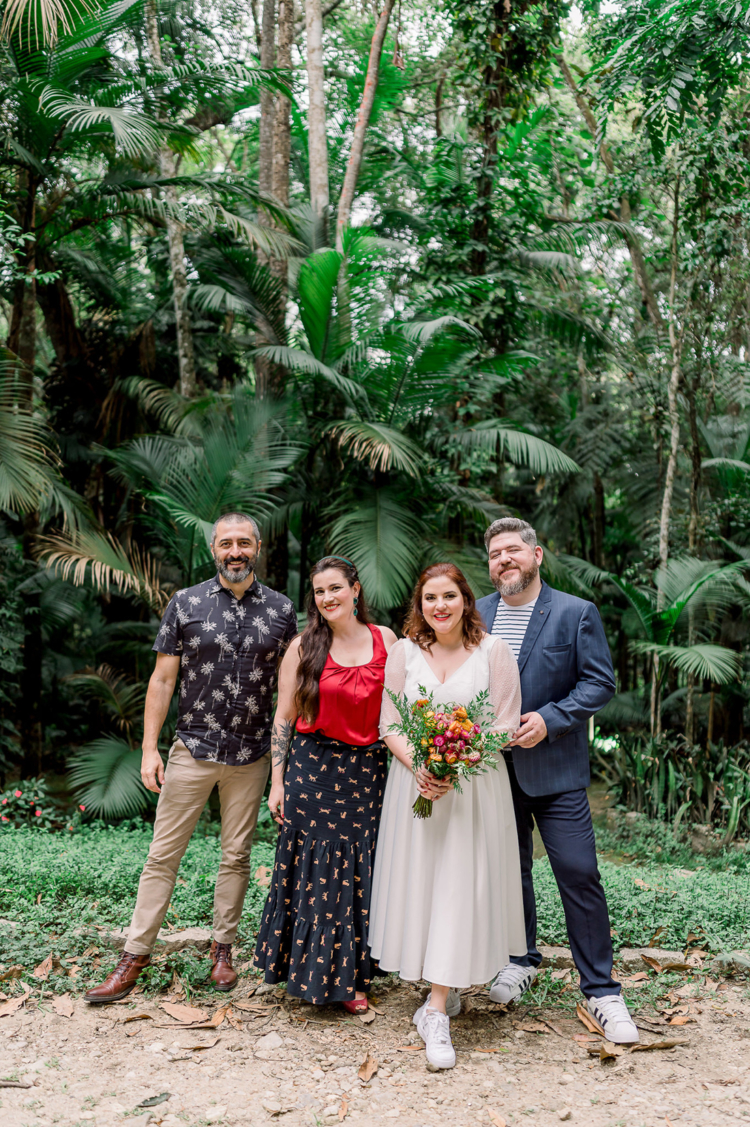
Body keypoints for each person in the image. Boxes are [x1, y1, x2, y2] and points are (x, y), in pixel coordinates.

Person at [84, 513, 297, 1004]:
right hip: (192, 750)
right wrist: (148, 748)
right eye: (227, 543)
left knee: (237, 855)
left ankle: (222, 949)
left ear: (258, 548)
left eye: (244, 542)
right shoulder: (186, 603)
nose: (236, 551)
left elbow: (291, 692)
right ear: (214, 549)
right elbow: (162, 680)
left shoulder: (283, 611)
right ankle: (134, 955)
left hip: (251, 755)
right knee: (162, 856)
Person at [475, 517, 638, 1044]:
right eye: (496, 553)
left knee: (579, 872)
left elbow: (599, 683)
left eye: (513, 551)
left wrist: (550, 719)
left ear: (537, 554)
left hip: (558, 771)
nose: (505, 560)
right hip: (492, 772)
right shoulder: (476, 614)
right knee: (509, 872)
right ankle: (520, 958)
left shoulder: (575, 613)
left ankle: (602, 990)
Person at [369, 563, 526, 1070]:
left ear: (466, 600)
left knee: (460, 884)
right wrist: (424, 769)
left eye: (450, 597)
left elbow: (503, 724)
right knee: (426, 885)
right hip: (416, 789)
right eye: (431, 597)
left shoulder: (493, 652)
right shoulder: (404, 652)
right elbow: (389, 723)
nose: (440, 606)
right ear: (420, 603)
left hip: (474, 791)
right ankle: (446, 984)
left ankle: (435, 1009)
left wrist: (457, 762)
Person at [254, 556, 397, 1012]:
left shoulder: (387, 641)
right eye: (319, 591)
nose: (327, 598)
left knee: (357, 872)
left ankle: (354, 973)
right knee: (318, 873)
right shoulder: (303, 647)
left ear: (356, 590)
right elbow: (283, 718)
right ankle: (321, 979)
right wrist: (276, 782)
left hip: (368, 775)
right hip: (312, 771)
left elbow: (404, 710)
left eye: (335, 588)